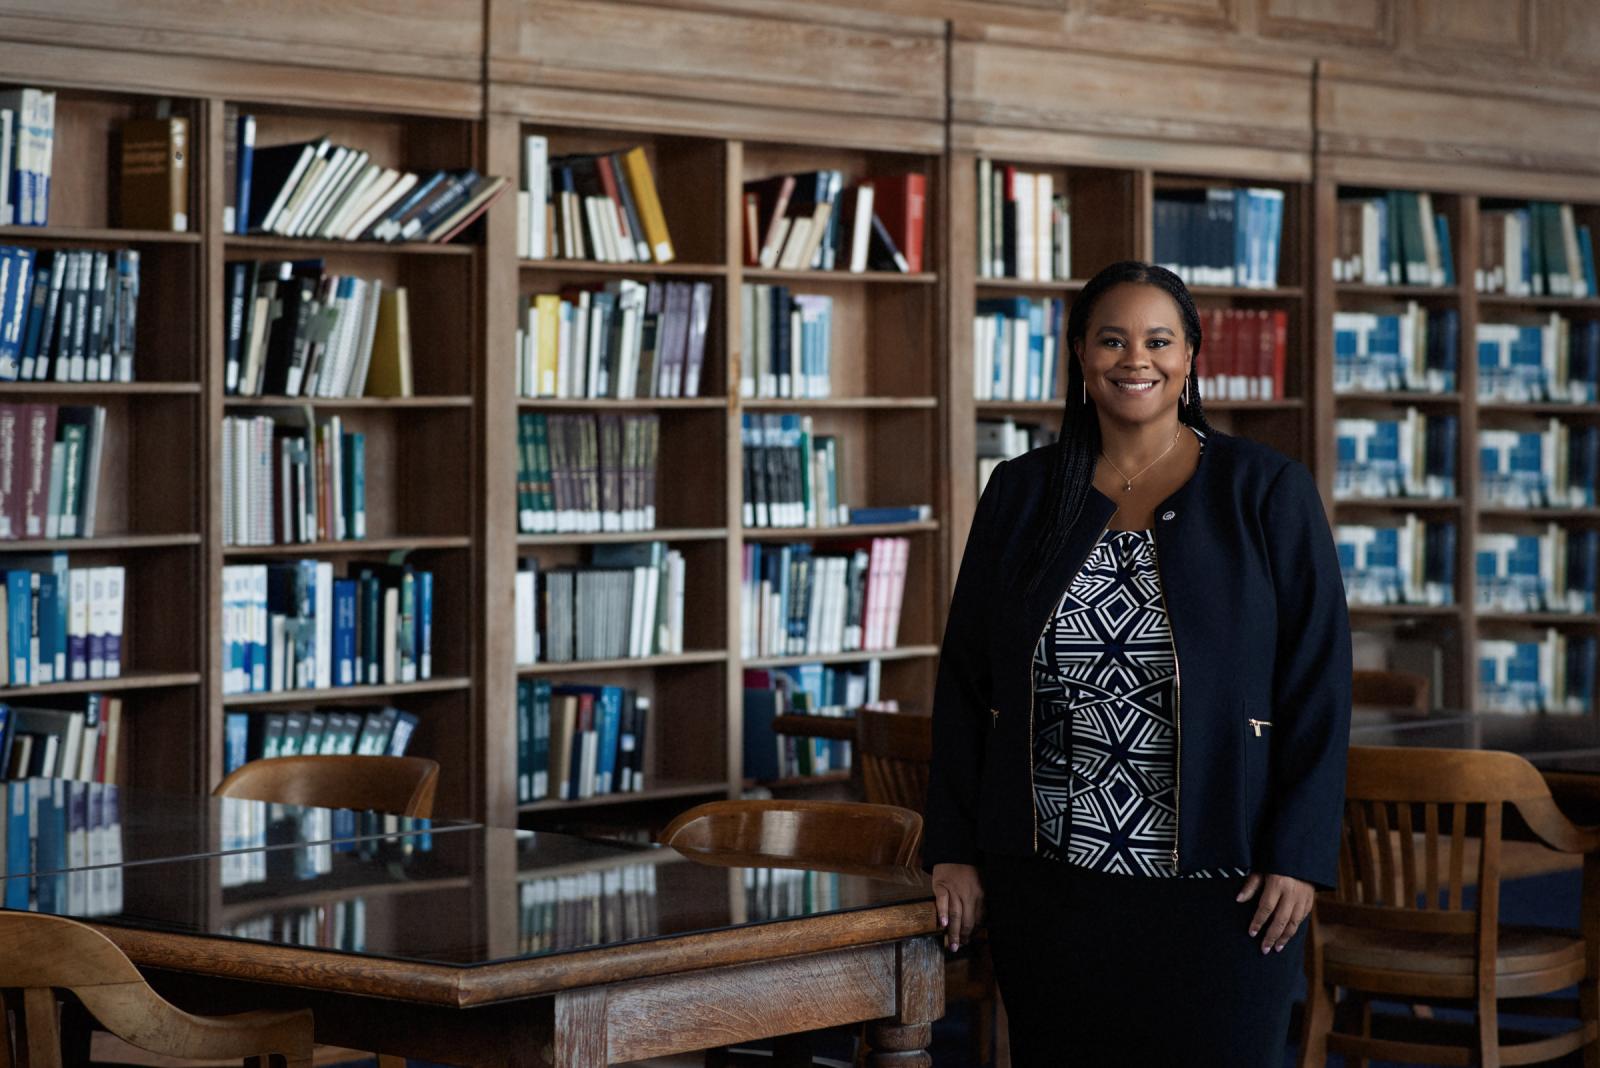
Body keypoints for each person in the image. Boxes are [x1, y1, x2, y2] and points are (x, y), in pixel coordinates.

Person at [923, 260, 1352, 1066]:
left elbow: (1319, 685)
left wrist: (1297, 856)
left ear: (1190, 358)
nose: (1135, 359)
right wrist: (954, 846)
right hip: (1050, 884)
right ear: (1080, 354)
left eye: (1158, 340)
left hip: (1225, 891)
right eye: (1112, 339)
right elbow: (966, 679)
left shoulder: (1267, 492)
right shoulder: (1019, 493)